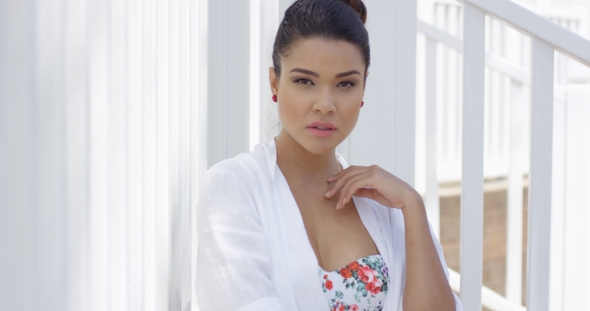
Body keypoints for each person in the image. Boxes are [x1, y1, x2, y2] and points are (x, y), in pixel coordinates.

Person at [196, 0, 462, 310]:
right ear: (274, 83)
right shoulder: (233, 187)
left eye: (345, 83)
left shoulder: (388, 208)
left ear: (363, 90)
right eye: (304, 81)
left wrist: (413, 208)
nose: (325, 104)